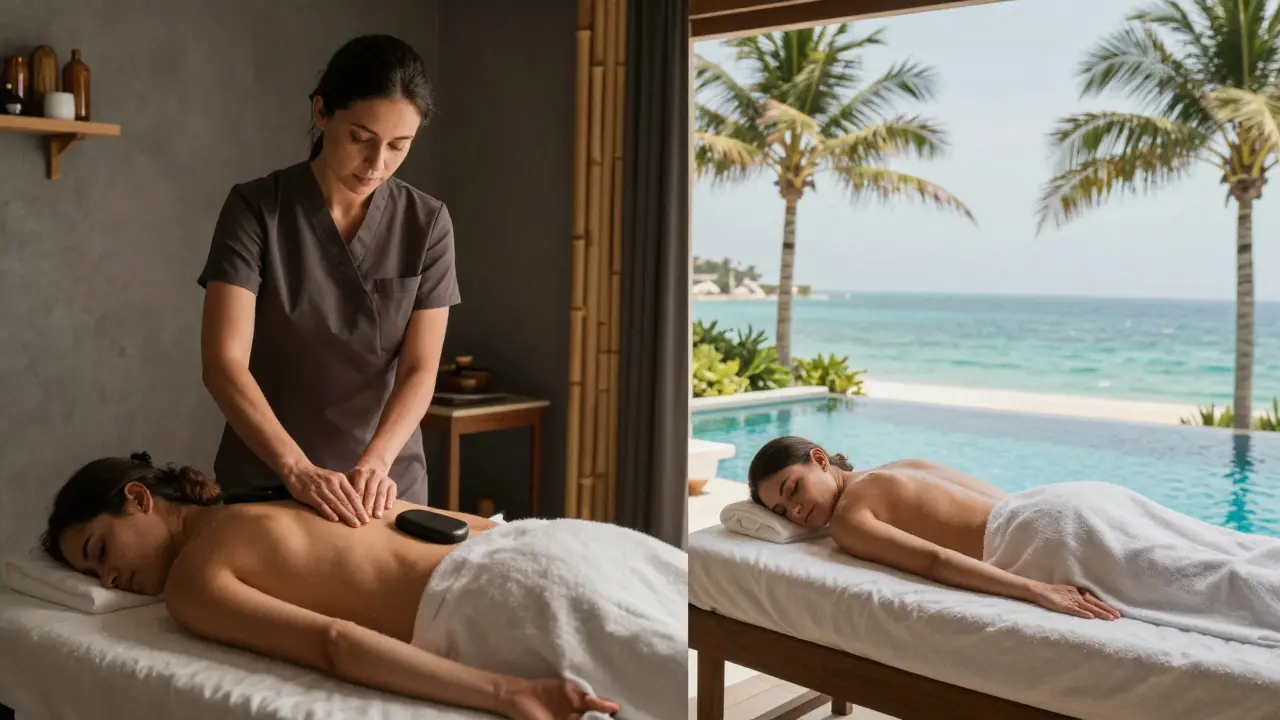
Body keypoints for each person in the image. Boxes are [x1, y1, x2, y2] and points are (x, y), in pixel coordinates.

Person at [42, 453, 689, 720]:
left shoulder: (194, 579)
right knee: (729, 664)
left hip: (501, 588)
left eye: (99, 551)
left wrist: (513, 693)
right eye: (93, 577)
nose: (111, 580)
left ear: (138, 498)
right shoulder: (281, 491)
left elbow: (334, 644)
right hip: (554, 538)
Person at [199, 34, 456, 529]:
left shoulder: (427, 223)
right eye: (362, 138)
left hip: (381, 487)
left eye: (399, 146)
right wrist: (296, 469)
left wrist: (377, 463)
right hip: (268, 479)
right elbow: (223, 363)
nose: (377, 163)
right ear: (321, 112)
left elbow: (421, 369)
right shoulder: (257, 210)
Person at [747, 436, 1124, 620]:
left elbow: (935, 561)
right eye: (782, 511)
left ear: (819, 459)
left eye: (793, 488)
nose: (795, 510)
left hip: (1043, 537)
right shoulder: (900, 465)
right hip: (1061, 503)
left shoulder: (849, 519)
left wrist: (1038, 590)